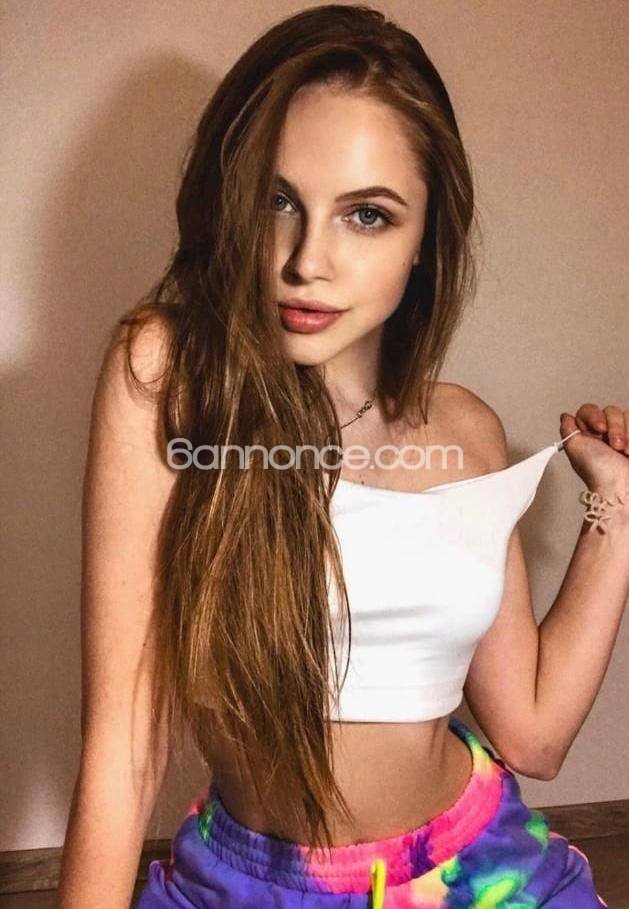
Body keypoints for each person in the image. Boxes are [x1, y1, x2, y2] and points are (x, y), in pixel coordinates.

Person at [59, 4, 629, 907]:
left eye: (366, 215)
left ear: (424, 238)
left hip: (477, 869)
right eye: (277, 200)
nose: (305, 261)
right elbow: (123, 748)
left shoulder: (467, 432)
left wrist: (615, 508)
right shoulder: (169, 378)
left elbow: (533, 735)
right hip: (252, 883)